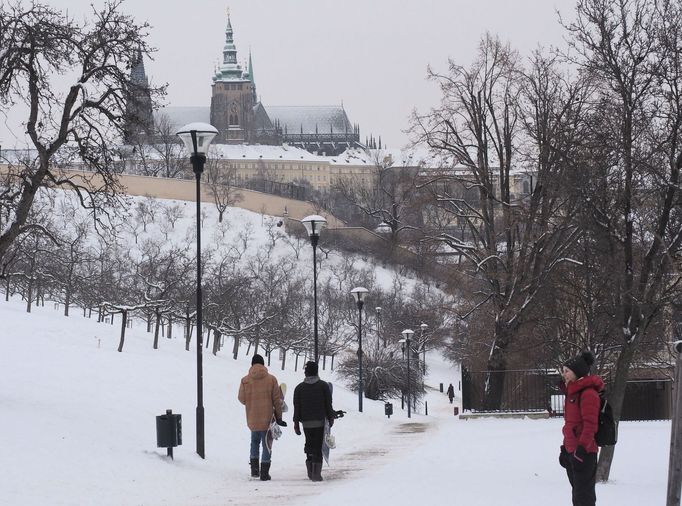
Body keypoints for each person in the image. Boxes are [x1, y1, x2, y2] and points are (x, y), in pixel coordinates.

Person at [558, 351, 604, 506]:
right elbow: (571, 425)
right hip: (572, 451)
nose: (564, 375)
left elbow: (590, 425)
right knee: (578, 495)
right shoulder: (572, 394)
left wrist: (582, 449)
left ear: (577, 372)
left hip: (584, 452)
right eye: (563, 371)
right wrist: (565, 449)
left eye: (567, 371)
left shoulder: (588, 393)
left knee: (583, 497)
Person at [238, 353, 286, 481]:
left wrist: (251, 401)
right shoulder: (271, 379)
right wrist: (279, 417)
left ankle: (254, 470)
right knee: (267, 444)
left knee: (254, 442)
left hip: (252, 418)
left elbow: (241, 399)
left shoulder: (245, 380)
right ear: (263, 364)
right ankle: (264, 472)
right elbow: (277, 401)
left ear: (252, 364)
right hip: (267, 419)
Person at [293, 361, 336, 482]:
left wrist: (296, 423)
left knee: (309, 444)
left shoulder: (299, 388)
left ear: (306, 372)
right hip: (320, 422)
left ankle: (310, 471)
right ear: (316, 371)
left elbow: (297, 407)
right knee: (318, 446)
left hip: (306, 423)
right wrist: (331, 417)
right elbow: (328, 404)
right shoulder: (323, 386)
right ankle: (316, 474)